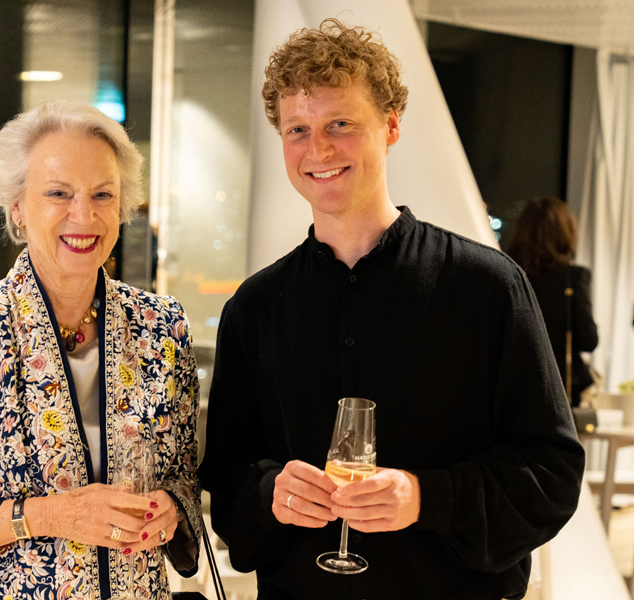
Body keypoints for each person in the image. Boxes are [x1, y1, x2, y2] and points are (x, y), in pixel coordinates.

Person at [199, 19, 584, 600]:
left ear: (392, 126)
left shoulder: (489, 287)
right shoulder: (254, 307)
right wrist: (267, 493)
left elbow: (551, 474)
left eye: (341, 124)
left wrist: (427, 498)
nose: (318, 149)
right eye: (298, 129)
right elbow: (225, 482)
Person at [0, 100, 202, 599]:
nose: (84, 215)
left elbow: (182, 474)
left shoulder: (161, 328)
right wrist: (49, 515)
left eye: (102, 194)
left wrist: (172, 508)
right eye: (58, 193)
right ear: (18, 208)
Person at [507, 196, 599, 405]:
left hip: (514, 387)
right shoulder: (573, 277)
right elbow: (588, 340)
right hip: (558, 389)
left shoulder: (509, 275)